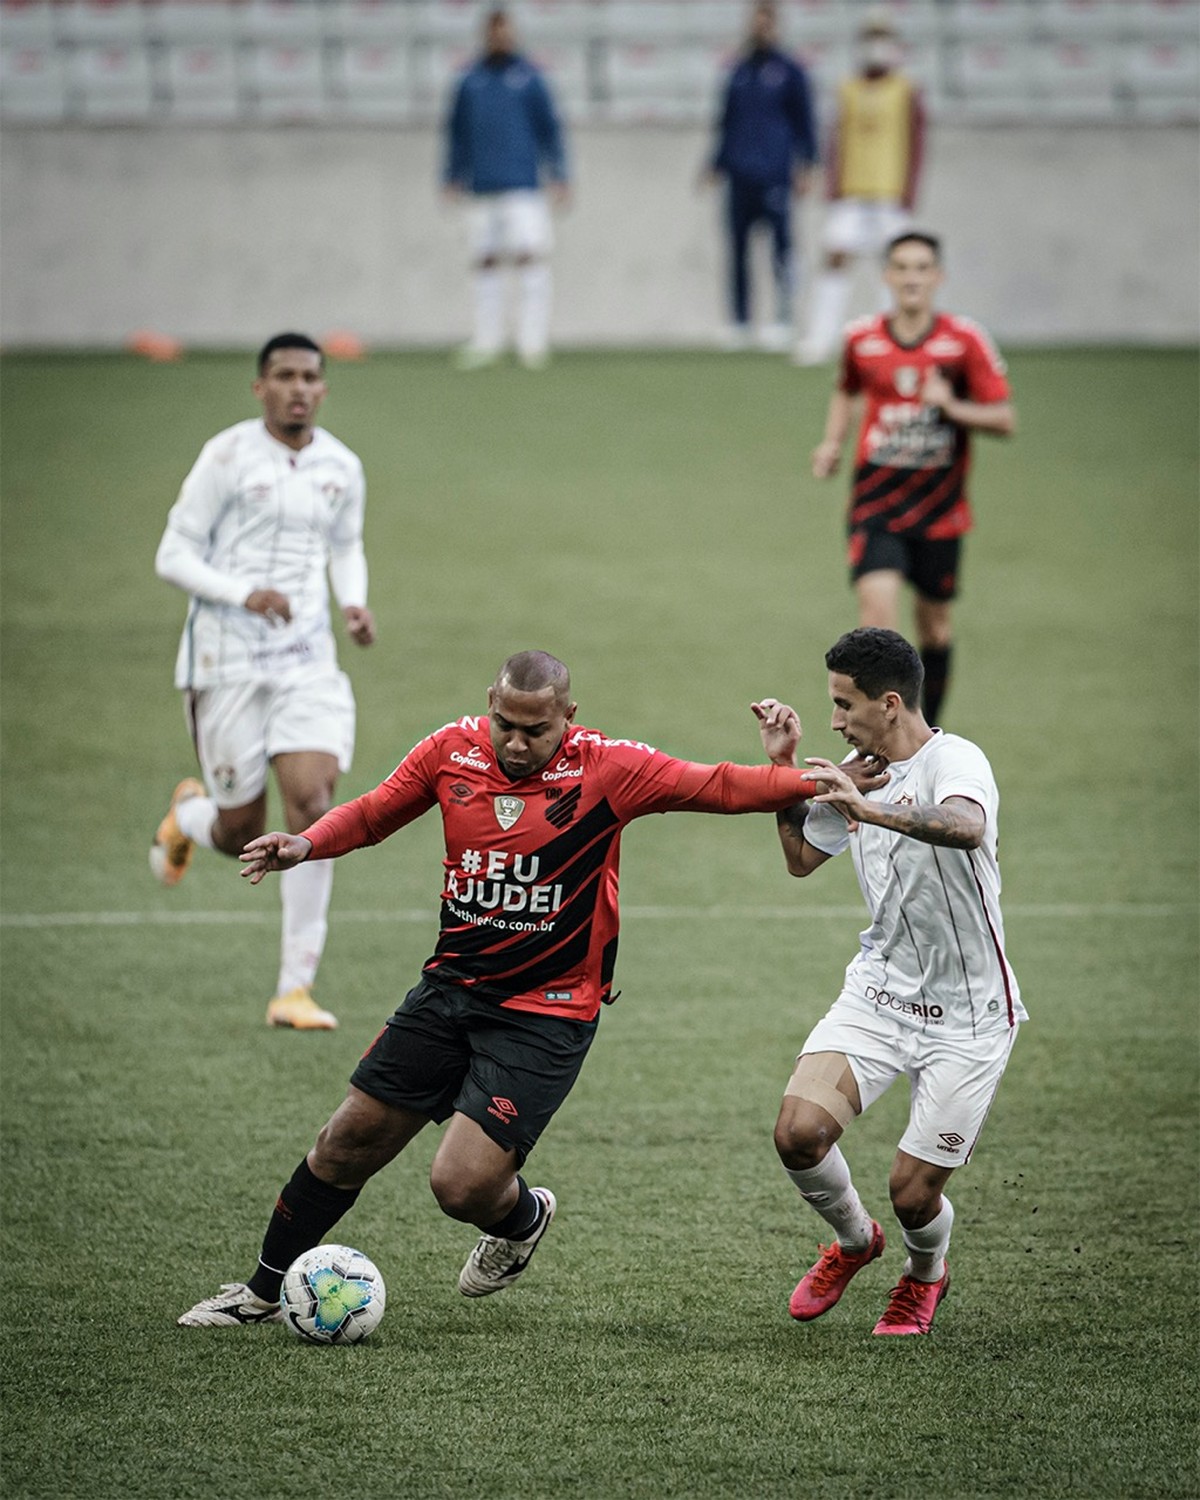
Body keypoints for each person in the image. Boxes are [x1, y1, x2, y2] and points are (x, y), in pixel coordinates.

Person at [177, 650, 884, 1327]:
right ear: (489, 706)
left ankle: (523, 1220)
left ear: (568, 716)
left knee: (459, 1187)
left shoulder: (609, 768)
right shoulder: (450, 752)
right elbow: (372, 813)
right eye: (504, 726)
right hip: (451, 987)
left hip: (546, 1014)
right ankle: (263, 1291)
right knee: (344, 1140)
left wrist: (815, 780)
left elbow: (719, 785)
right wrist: (309, 843)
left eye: (535, 730)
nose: (516, 744)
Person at [751, 627, 1024, 1336]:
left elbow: (965, 827)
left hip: (969, 1015)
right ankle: (852, 1242)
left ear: (891, 703)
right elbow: (803, 858)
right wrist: (785, 775)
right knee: (798, 1134)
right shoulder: (858, 768)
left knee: (911, 1195)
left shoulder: (955, 760)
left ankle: (923, 1275)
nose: (837, 720)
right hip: (880, 993)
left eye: (846, 705)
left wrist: (867, 809)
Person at [151, 332, 376, 1032]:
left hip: (307, 659)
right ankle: (187, 818)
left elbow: (345, 543)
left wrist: (353, 600)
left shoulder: (342, 465)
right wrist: (243, 592)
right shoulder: (226, 457)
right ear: (261, 387)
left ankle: (294, 989)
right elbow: (173, 554)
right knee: (240, 826)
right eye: (284, 376)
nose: (299, 388)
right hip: (227, 662)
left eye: (310, 376)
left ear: (323, 388)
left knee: (312, 805)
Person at [809, 231, 1015, 726]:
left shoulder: (964, 341)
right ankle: (880, 740)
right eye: (901, 267)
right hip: (875, 504)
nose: (911, 278)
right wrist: (832, 441)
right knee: (878, 628)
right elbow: (846, 390)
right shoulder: (861, 338)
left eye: (922, 268)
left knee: (936, 629)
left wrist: (951, 407)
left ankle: (926, 734)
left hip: (940, 511)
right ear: (886, 276)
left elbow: (1004, 419)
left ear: (937, 276)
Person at [442, 7, 569, 371]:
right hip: (481, 188)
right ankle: (487, 340)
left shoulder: (530, 78)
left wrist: (559, 173)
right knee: (485, 262)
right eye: (494, 32)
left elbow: (550, 129)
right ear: (486, 34)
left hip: (522, 186)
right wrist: (451, 175)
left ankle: (532, 342)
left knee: (531, 257)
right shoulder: (470, 80)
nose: (500, 38)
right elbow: (456, 133)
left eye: (505, 31)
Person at [796, 8, 924, 366]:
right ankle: (820, 340)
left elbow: (917, 143)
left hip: (889, 194)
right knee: (834, 259)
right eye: (870, 36)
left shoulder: (906, 89)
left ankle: (895, 341)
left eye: (882, 36)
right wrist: (832, 185)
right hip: (852, 192)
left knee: (897, 269)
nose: (876, 45)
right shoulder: (847, 88)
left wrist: (909, 192)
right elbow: (835, 139)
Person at [703, 1, 818, 352]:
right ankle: (740, 321)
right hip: (740, 175)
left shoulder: (790, 72)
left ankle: (783, 319)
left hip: (775, 173)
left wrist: (807, 165)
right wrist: (715, 163)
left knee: (781, 250)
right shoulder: (737, 71)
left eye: (767, 21)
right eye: (756, 21)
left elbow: (805, 123)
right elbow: (725, 122)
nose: (761, 28)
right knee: (737, 251)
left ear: (776, 26)